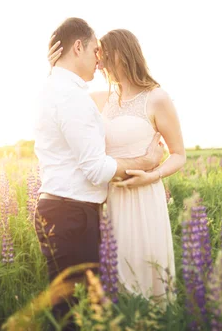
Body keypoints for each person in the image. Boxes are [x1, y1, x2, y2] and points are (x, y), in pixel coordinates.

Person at [33, 18, 164, 329]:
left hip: (61, 211)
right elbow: (96, 169)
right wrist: (147, 161)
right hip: (71, 215)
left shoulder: (56, 87)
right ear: (78, 47)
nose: (99, 59)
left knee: (69, 309)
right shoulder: (71, 96)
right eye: (94, 50)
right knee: (71, 316)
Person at [48, 28, 185, 306]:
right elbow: (61, 100)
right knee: (115, 277)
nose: (98, 61)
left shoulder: (157, 98)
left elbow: (179, 154)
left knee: (147, 272)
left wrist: (151, 175)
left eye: (102, 53)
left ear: (122, 53)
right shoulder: (99, 99)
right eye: (96, 53)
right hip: (109, 200)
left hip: (145, 198)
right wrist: (53, 69)